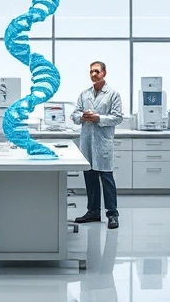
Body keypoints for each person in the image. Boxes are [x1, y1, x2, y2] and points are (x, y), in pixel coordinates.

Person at [72, 61, 124, 229]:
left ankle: (112, 214)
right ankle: (93, 211)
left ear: (104, 73)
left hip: (102, 142)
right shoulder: (84, 94)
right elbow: (74, 115)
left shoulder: (113, 94)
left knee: (107, 179)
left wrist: (98, 118)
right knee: (90, 178)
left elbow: (118, 117)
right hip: (87, 141)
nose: (93, 74)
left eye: (96, 71)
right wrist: (82, 117)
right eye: (91, 72)